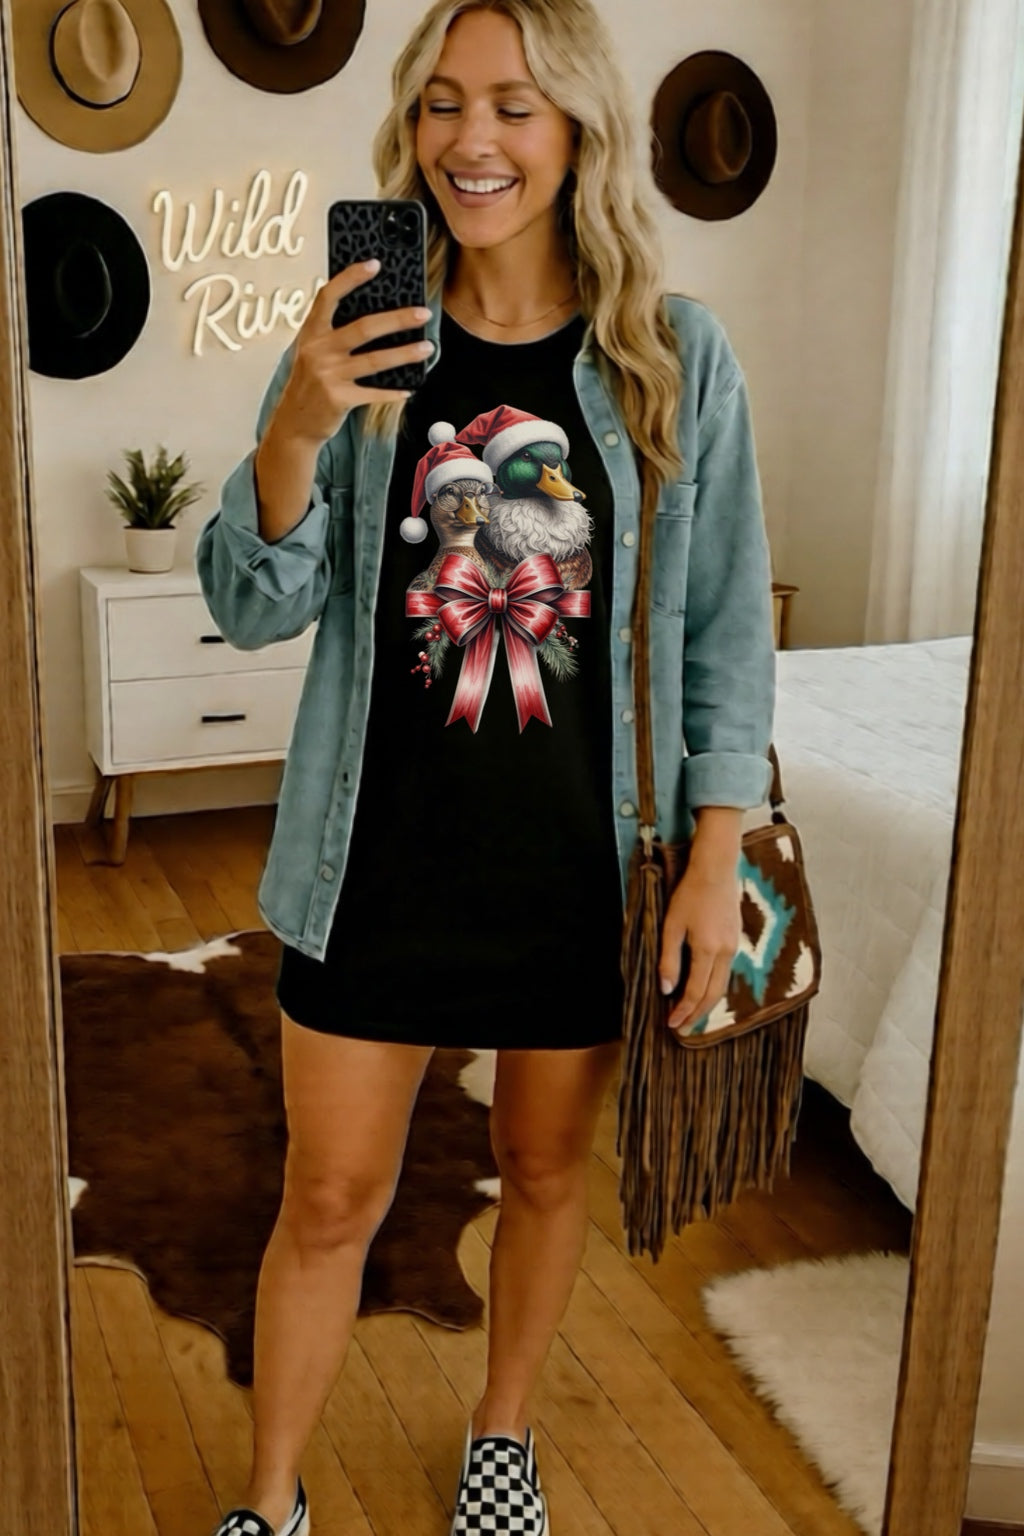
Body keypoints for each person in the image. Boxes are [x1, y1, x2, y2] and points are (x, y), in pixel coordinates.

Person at [196, 2, 776, 1533]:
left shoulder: (671, 357)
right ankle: (271, 1499)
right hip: (375, 860)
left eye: (514, 105)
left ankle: (500, 1436)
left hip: (576, 868)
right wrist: (295, 431)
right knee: (329, 1194)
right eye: (443, 103)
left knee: (542, 1168)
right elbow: (251, 604)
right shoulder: (362, 334)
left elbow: (724, 626)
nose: (473, 140)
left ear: (578, 127)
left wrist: (715, 854)